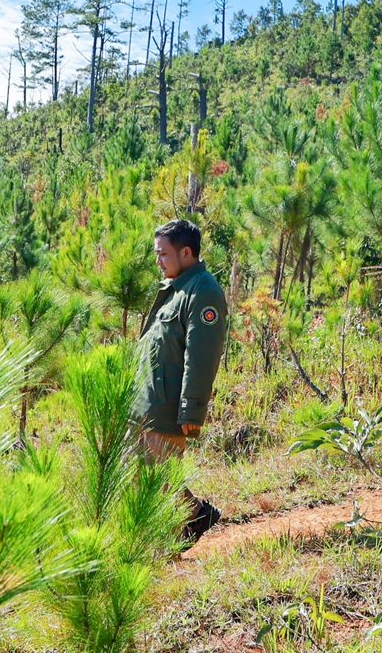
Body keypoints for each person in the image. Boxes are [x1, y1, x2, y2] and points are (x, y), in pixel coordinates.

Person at [131, 218, 230, 542]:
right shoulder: (175, 289)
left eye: (163, 254)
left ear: (186, 252)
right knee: (142, 476)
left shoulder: (204, 291)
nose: (158, 261)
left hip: (167, 405)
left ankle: (191, 520)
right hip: (146, 403)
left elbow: (201, 357)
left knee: (159, 478)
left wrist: (191, 410)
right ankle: (184, 524)